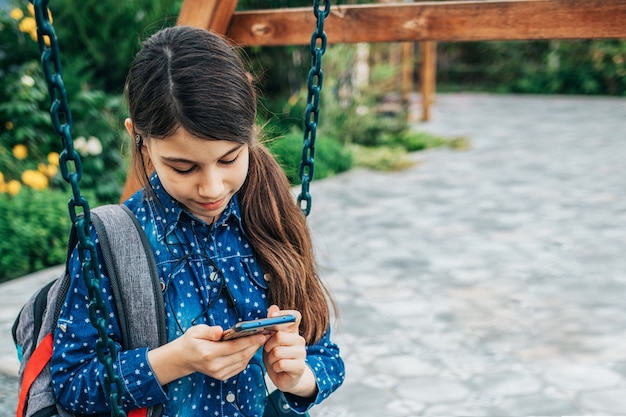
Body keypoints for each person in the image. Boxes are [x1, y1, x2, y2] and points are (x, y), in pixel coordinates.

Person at [50, 25, 345, 417]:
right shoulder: (112, 243)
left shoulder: (271, 219)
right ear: (138, 137)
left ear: (250, 129)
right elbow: (71, 385)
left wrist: (298, 377)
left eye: (229, 159)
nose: (211, 187)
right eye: (183, 167)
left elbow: (326, 355)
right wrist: (174, 361)